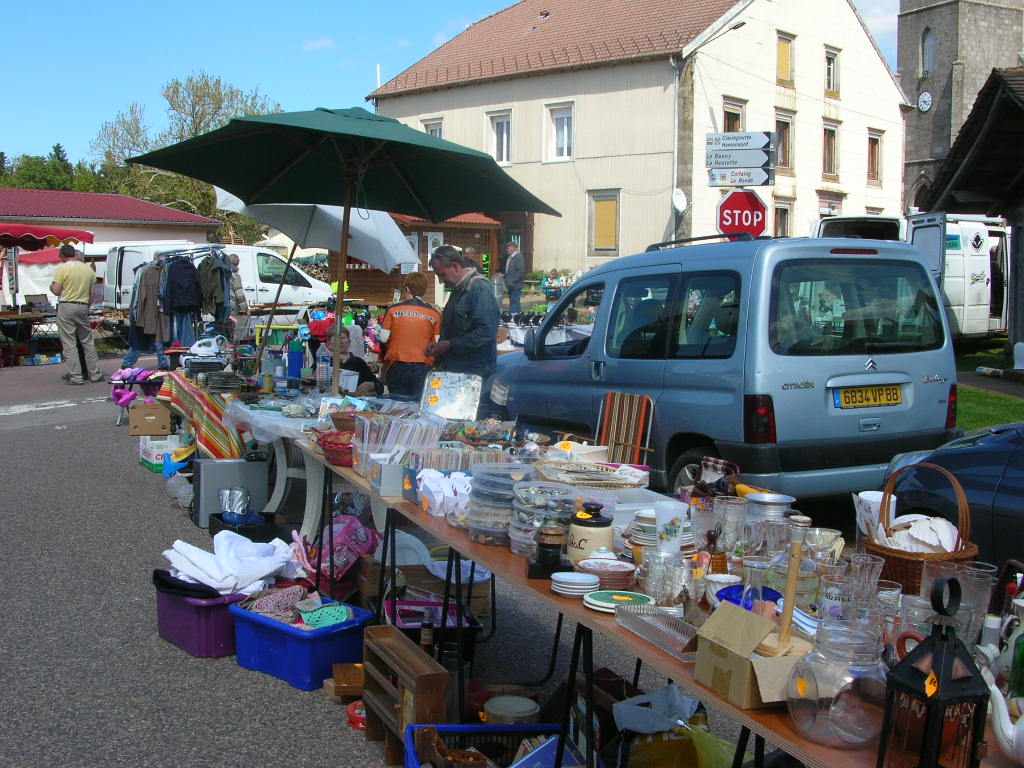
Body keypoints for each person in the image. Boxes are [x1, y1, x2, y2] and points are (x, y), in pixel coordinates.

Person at [426, 245, 499, 382]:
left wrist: (450, 345)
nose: (441, 281)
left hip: (475, 374)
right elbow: (451, 329)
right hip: (458, 371)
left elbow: (486, 332)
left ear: (455, 266)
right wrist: (439, 347)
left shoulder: (479, 288)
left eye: (442, 275)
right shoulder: (458, 290)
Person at [379, 272, 441, 398]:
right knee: (418, 405)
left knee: (397, 405)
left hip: (397, 364)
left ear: (407, 289)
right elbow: (438, 343)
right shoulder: (434, 314)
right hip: (423, 366)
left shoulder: (393, 310)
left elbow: (383, 338)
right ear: (424, 291)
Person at [51, 244, 104, 384]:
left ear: (62, 255)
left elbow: (56, 290)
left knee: (69, 343)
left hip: (67, 305)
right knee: (87, 341)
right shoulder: (88, 269)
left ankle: (76, 376)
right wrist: (87, 305)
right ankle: (95, 374)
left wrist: (52, 286)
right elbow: (92, 292)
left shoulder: (63, 268)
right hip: (83, 306)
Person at [326, 324, 382, 396]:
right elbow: (310, 383)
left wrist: (372, 385)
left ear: (349, 342)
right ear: (329, 344)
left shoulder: (358, 363)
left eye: (343, 338)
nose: (340, 342)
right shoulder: (323, 362)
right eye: (336, 338)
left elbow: (380, 387)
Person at [503, 241, 525, 313]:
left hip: (515, 285)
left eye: (508, 247)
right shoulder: (510, 258)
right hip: (510, 285)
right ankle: (513, 317)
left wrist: (513, 281)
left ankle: (515, 318)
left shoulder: (518, 257)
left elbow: (520, 271)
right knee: (512, 302)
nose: (507, 249)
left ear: (514, 248)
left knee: (515, 302)